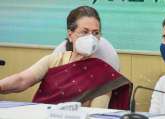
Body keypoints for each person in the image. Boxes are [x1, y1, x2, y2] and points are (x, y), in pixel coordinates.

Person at [0, 6, 132, 110]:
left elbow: (96, 115)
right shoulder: (54, 60)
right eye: (85, 32)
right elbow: (22, 80)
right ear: (70, 34)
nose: (91, 38)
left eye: (95, 33)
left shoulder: (103, 74)